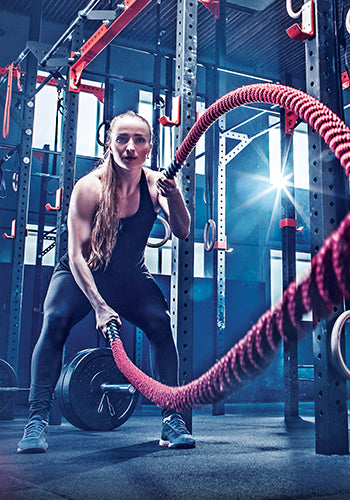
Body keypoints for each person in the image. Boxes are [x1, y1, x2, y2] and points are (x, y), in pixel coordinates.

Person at [17, 110, 195, 453]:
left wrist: (173, 196)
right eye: (122, 139)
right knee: (54, 322)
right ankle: (36, 420)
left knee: (160, 323)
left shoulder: (157, 184)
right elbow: (76, 255)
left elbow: (183, 230)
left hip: (129, 276)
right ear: (109, 143)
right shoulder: (90, 187)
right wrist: (99, 306)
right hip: (82, 273)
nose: (130, 147)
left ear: (149, 147)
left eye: (139, 140)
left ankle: (172, 418)